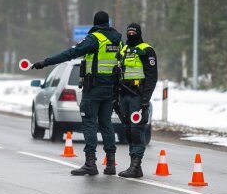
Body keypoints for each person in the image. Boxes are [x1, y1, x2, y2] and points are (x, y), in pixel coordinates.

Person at [31, 11, 122, 176]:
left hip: (93, 89)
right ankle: (110, 164)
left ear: (95, 23)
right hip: (110, 89)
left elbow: (70, 54)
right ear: (108, 23)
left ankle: (90, 163)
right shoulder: (118, 41)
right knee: (106, 124)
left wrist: (45, 62)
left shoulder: (94, 39)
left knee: (89, 123)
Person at [113, 23, 158, 178]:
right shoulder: (124, 49)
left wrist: (145, 99)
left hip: (137, 96)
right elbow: (117, 73)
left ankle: (136, 165)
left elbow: (152, 78)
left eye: (134, 31)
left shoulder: (147, 50)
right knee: (127, 130)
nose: (131, 33)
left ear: (139, 33)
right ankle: (134, 165)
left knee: (136, 130)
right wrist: (115, 97)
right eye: (129, 31)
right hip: (123, 95)